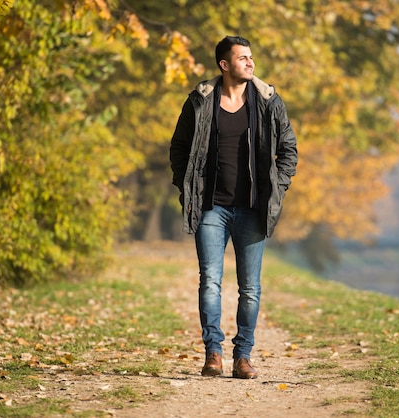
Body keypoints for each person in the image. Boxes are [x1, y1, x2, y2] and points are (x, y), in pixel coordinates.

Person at [169, 36, 298, 379]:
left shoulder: (269, 102)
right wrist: (187, 186)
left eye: (251, 57)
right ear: (224, 65)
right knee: (210, 281)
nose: (250, 62)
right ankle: (213, 353)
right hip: (211, 207)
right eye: (243, 58)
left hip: (253, 209)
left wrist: (278, 188)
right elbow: (179, 147)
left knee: (250, 288)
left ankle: (243, 356)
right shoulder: (200, 101)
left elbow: (288, 150)